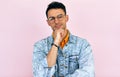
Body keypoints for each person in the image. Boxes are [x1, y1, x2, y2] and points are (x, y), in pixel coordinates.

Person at [32, 1, 95, 77]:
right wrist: (56, 43)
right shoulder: (39, 46)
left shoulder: (83, 44)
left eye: (60, 16)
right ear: (48, 22)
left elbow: (88, 73)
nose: (56, 21)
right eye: (52, 18)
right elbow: (39, 75)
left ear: (66, 18)